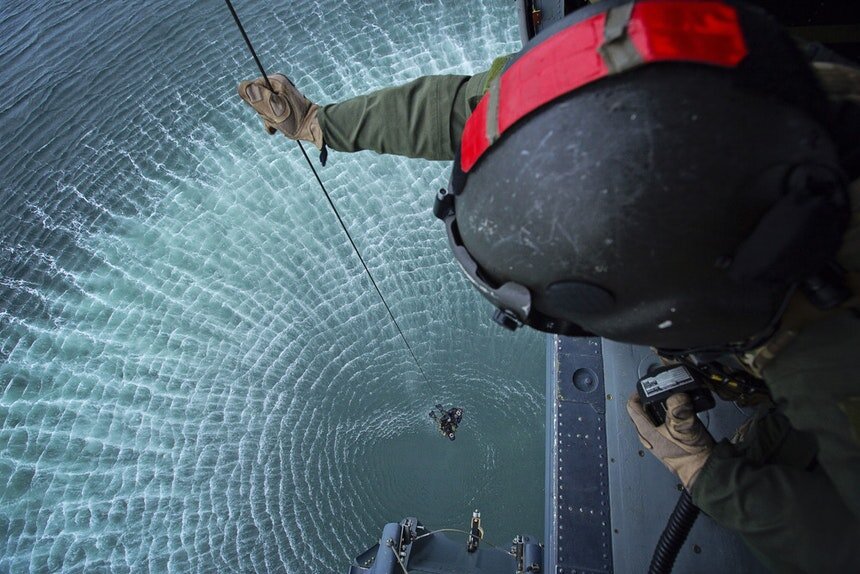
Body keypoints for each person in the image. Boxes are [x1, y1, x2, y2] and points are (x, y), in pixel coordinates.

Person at [238, 1, 859, 570]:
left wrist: (707, 474)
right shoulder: (662, 93)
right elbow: (477, 108)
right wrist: (323, 123)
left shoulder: (829, 358)